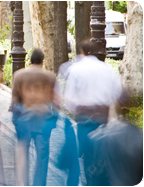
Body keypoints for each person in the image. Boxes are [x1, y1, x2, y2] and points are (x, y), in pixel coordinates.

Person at [63, 40, 122, 186]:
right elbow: (118, 93)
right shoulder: (107, 68)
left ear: (81, 52)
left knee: (87, 156)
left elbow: (69, 99)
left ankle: (91, 182)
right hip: (103, 117)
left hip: (85, 118)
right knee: (103, 155)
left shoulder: (76, 69)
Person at [10, 49, 58, 186]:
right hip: (43, 121)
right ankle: (39, 184)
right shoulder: (49, 76)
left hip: (24, 119)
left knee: (22, 154)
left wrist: (15, 118)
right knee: (42, 157)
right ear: (42, 61)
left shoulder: (19, 75)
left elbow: (15, 99)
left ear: (29, 60)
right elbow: (54, 101)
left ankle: (23, 183)